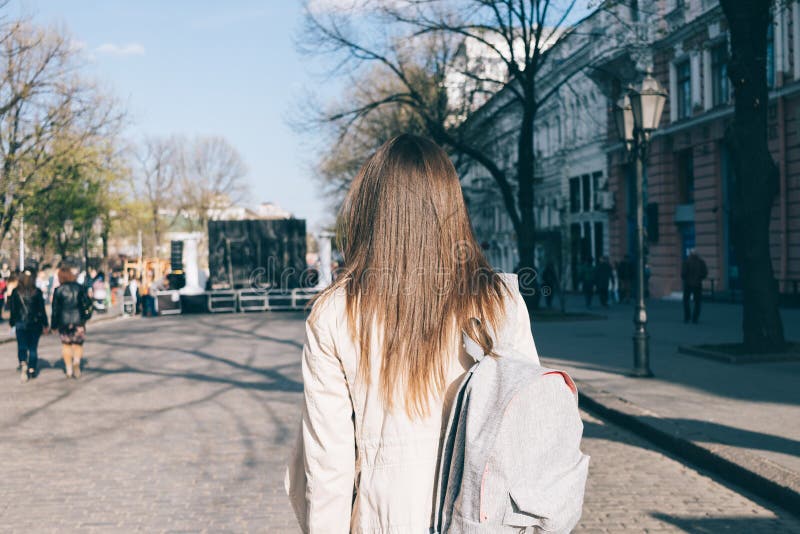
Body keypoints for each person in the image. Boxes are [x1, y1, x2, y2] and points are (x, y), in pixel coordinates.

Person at [285, 135, 544, 533]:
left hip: (386, 517)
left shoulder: (337, 313)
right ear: (451, 207)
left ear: (370, 210)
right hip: (482, 514)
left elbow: (328, 467)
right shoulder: (500, 302)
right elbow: (528, 426)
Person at [51, 266, 92, 378]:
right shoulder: (79, 288)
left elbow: (55, 310)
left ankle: (68, 369)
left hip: (63, 322)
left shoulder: (58, 290)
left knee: (66, 345)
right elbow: (88, 303)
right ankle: (76, 362)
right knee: (78, 344)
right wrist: (86, 316)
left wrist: (53, 325)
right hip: (78, 320)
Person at [9, 270, 49, 382]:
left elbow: (13, 310)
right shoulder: (37, 292)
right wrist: (45, 324)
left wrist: (12, 322)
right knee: (33, 347)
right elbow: (42, 310)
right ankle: (32, 368)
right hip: (35, 323)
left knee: (22, 345)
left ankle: (23, 363)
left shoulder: (16, 292)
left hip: (20, 323)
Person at [681, 249, 708, 323]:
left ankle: (687, 317)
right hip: (697, 284)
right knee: (697, 302)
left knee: (686, 301)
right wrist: (700, 278)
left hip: (688, 284)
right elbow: (705, 273)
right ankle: (695, 318)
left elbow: (683, 273)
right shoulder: (701, 262)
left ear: (690, 254)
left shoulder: (686, 262)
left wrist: (686, 279)